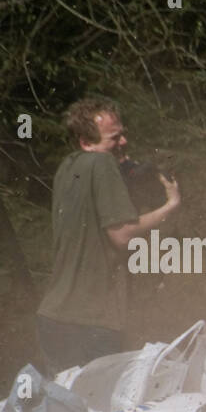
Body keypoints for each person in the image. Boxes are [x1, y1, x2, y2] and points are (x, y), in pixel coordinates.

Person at [36, 98, 180, 373]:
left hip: (54, 317)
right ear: (85, 141)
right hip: (92, 321)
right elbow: (122, 235)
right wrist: (170, 206)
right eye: (115, 137)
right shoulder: (102, 164)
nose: (124, 141)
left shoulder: (67, 167)